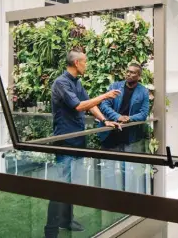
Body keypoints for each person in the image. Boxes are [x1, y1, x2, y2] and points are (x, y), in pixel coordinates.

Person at [44, 49, 121, 238]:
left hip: (77, 141)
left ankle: (66, 220)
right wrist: (105, 96)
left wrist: (104, 120)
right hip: (65, 141)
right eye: (85, 62)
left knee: (70, 184)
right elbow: (78, 106)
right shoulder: (61, 83)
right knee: (60, 185)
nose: (86, 65)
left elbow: (89, 103)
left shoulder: (76, 83)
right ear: (77, 63)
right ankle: (51, 231)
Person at [98, 63, 150, 193]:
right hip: (110, 134)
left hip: (128, 136)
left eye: (132, 72)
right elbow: (104, 105)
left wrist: (129, 118)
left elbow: (144, 114)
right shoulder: (115, 87)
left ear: (139, 76)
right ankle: (110, 196)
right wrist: (118, 116)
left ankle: (125, 196)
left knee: (126, 169)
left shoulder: (143, 91)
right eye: (127, 71)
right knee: (108, 169)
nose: (128, 74)